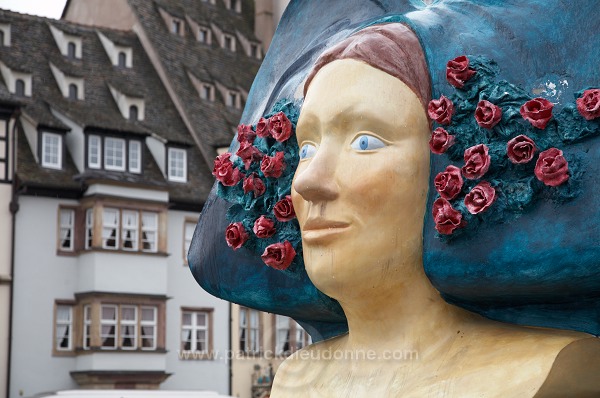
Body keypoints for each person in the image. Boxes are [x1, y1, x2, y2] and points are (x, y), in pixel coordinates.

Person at [267, 23, 600, 397]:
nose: (308, 181)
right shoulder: (294, 379)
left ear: (447, 168)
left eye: (365, 142)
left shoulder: (541, 370)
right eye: (306, 148)